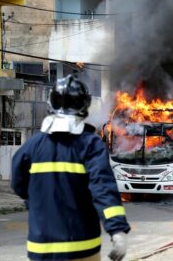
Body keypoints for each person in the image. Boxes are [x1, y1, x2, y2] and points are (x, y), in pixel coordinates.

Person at [11, 75, 130, 261]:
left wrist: (38, 199)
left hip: (40, 249)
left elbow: (18, 184)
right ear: (84, 105)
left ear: (51, 103)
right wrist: (117, 230)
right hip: (82, 249)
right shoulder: (90, 144)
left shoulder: (32, 146)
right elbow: (103, 188)